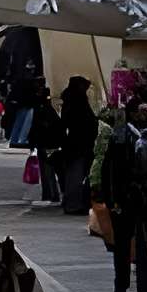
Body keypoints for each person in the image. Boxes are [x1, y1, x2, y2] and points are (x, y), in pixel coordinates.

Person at [100, 95, 147, 292]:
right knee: (122, 244)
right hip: (124, 196)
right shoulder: (121, 135)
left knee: (142, 243)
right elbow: (110, 169)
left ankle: (144, 288)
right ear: (133, 113)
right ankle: (121, 286)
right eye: (141, 110)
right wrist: (112, 199)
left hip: (143, 196)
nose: (145, 115)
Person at [59, 75, 98, 215]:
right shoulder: (77, 101)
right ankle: (73, 205)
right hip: (79, 143)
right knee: (75, 175)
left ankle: (71, 202)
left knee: (73, 174)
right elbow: (83, 122)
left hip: (75, 142)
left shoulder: (70, 101)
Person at [30, 84, 65, 205]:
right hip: (52, 144)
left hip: (44, 144)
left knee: (47, 171)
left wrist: (32, 143)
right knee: (52, 171)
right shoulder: (50, 111)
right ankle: (53, 194)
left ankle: (50, 194)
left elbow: (35, 128)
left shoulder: (41, 110)